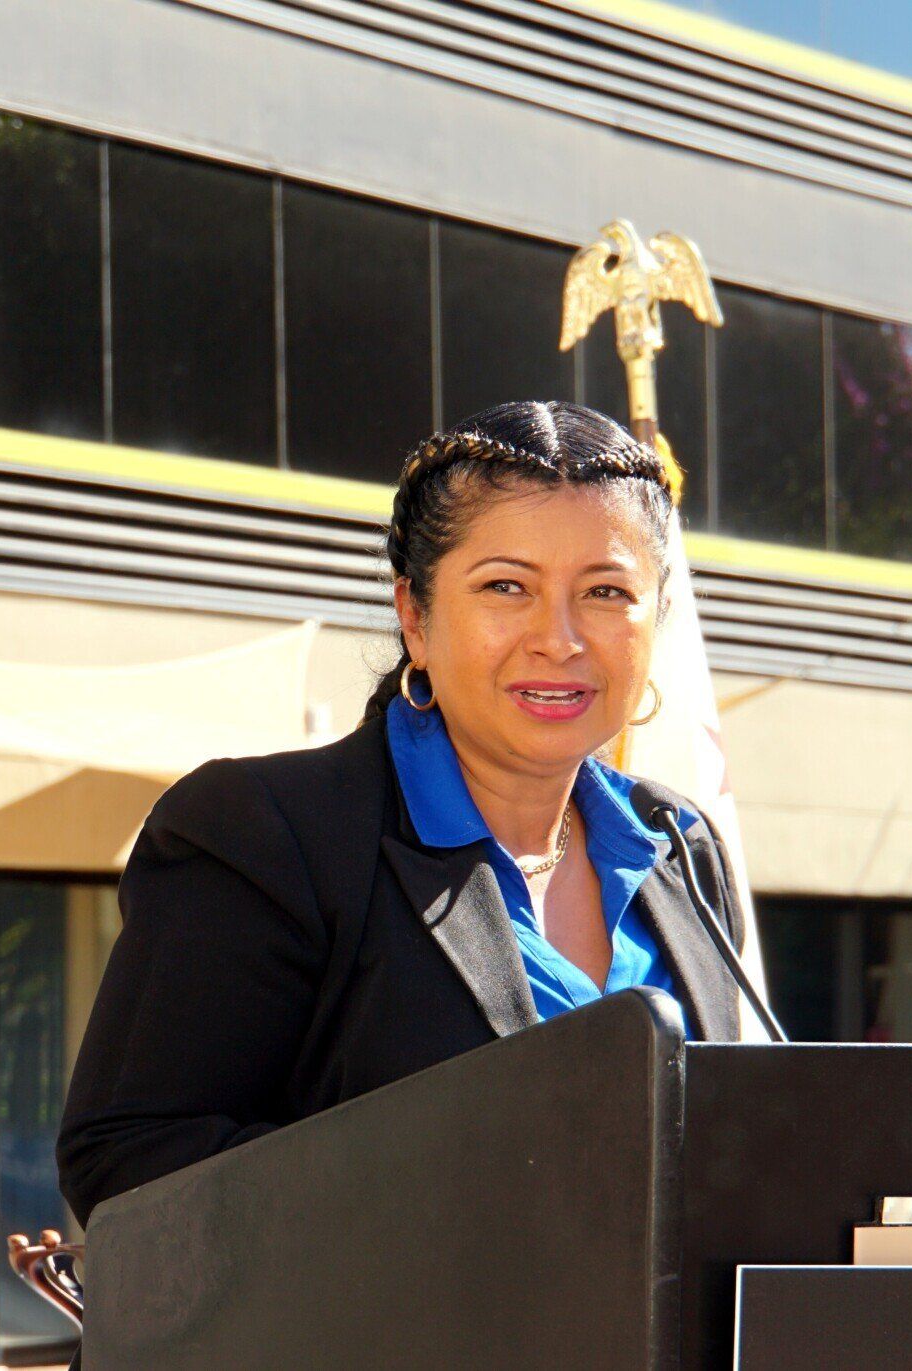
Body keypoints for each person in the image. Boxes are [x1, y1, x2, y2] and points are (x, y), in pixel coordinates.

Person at [56, 400, 750, 1233]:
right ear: (415, 617)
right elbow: (130, 1160)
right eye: (506, 586)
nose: (559, 637)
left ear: (653, 623)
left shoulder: (681, 848)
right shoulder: (260, 832)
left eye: (606, 591)